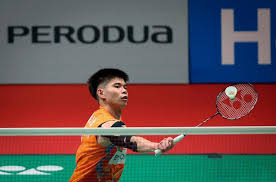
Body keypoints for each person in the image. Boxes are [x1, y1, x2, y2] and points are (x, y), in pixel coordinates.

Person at [70, 68, 174, 182]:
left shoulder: (104, 116)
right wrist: (157, 146)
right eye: (117, 86)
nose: (124, 90)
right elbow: (128, 139)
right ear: (101, 93)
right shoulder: (106, 123)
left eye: (125, 87)